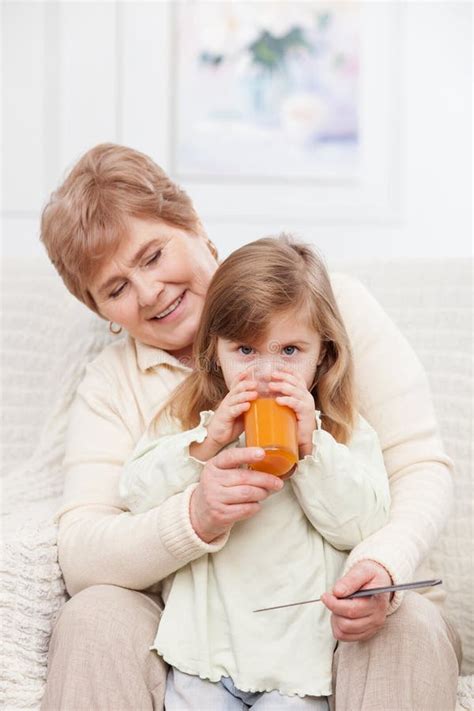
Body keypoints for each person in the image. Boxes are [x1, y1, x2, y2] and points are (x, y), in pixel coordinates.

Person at [39, 143, 461, 711]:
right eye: (114, 289)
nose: (149, 292)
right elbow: (84, 550)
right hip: (200, 635)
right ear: (98, 311)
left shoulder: (326, 307)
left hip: (327, 618)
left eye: (153, 255)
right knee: (94, 616)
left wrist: (382, 563)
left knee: (403, 629)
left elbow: (419, 467)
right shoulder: (117, 388)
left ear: (194, 225)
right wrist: (195, 515)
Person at [119, 235, 391, 708]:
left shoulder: (343, 433)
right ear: (214, 352)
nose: (266, 372)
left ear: (322, 354)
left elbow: (365, 525)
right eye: (245, 350)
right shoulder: (190, 422)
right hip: (201, 656)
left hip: (297, 667)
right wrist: (206, 445)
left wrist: (312, 449)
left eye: (289, 351)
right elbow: (135, 495)